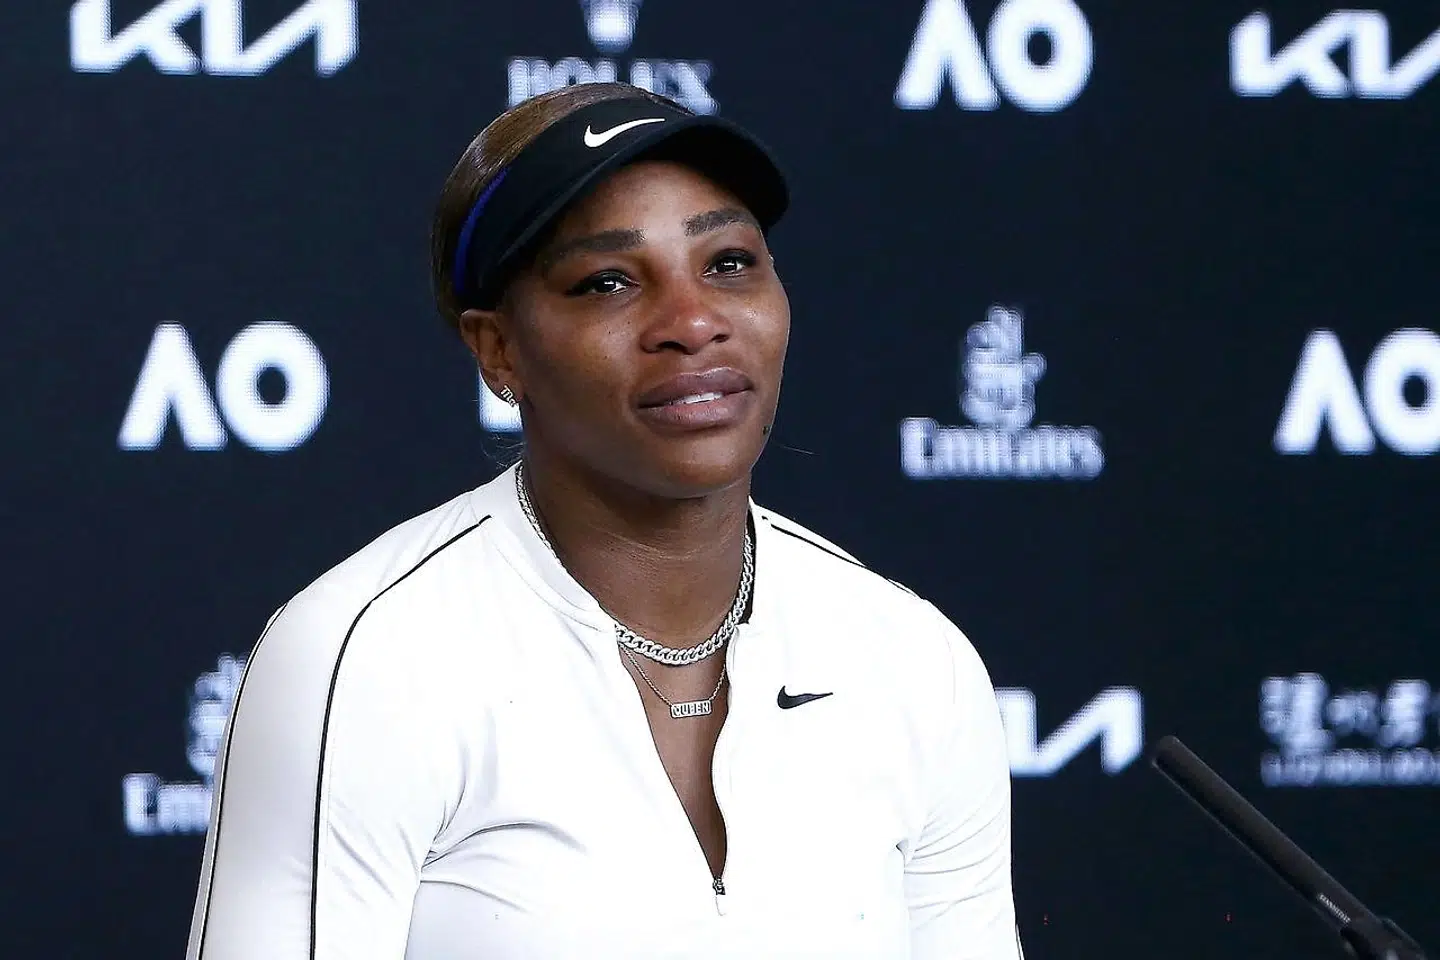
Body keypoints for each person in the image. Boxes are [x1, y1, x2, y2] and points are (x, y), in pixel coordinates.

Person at [183, 82, 1022, 960]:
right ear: (499, 351)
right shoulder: (363, 658)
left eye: (729, 263)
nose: (693, 323)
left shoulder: (913, 660)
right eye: (608, 282)